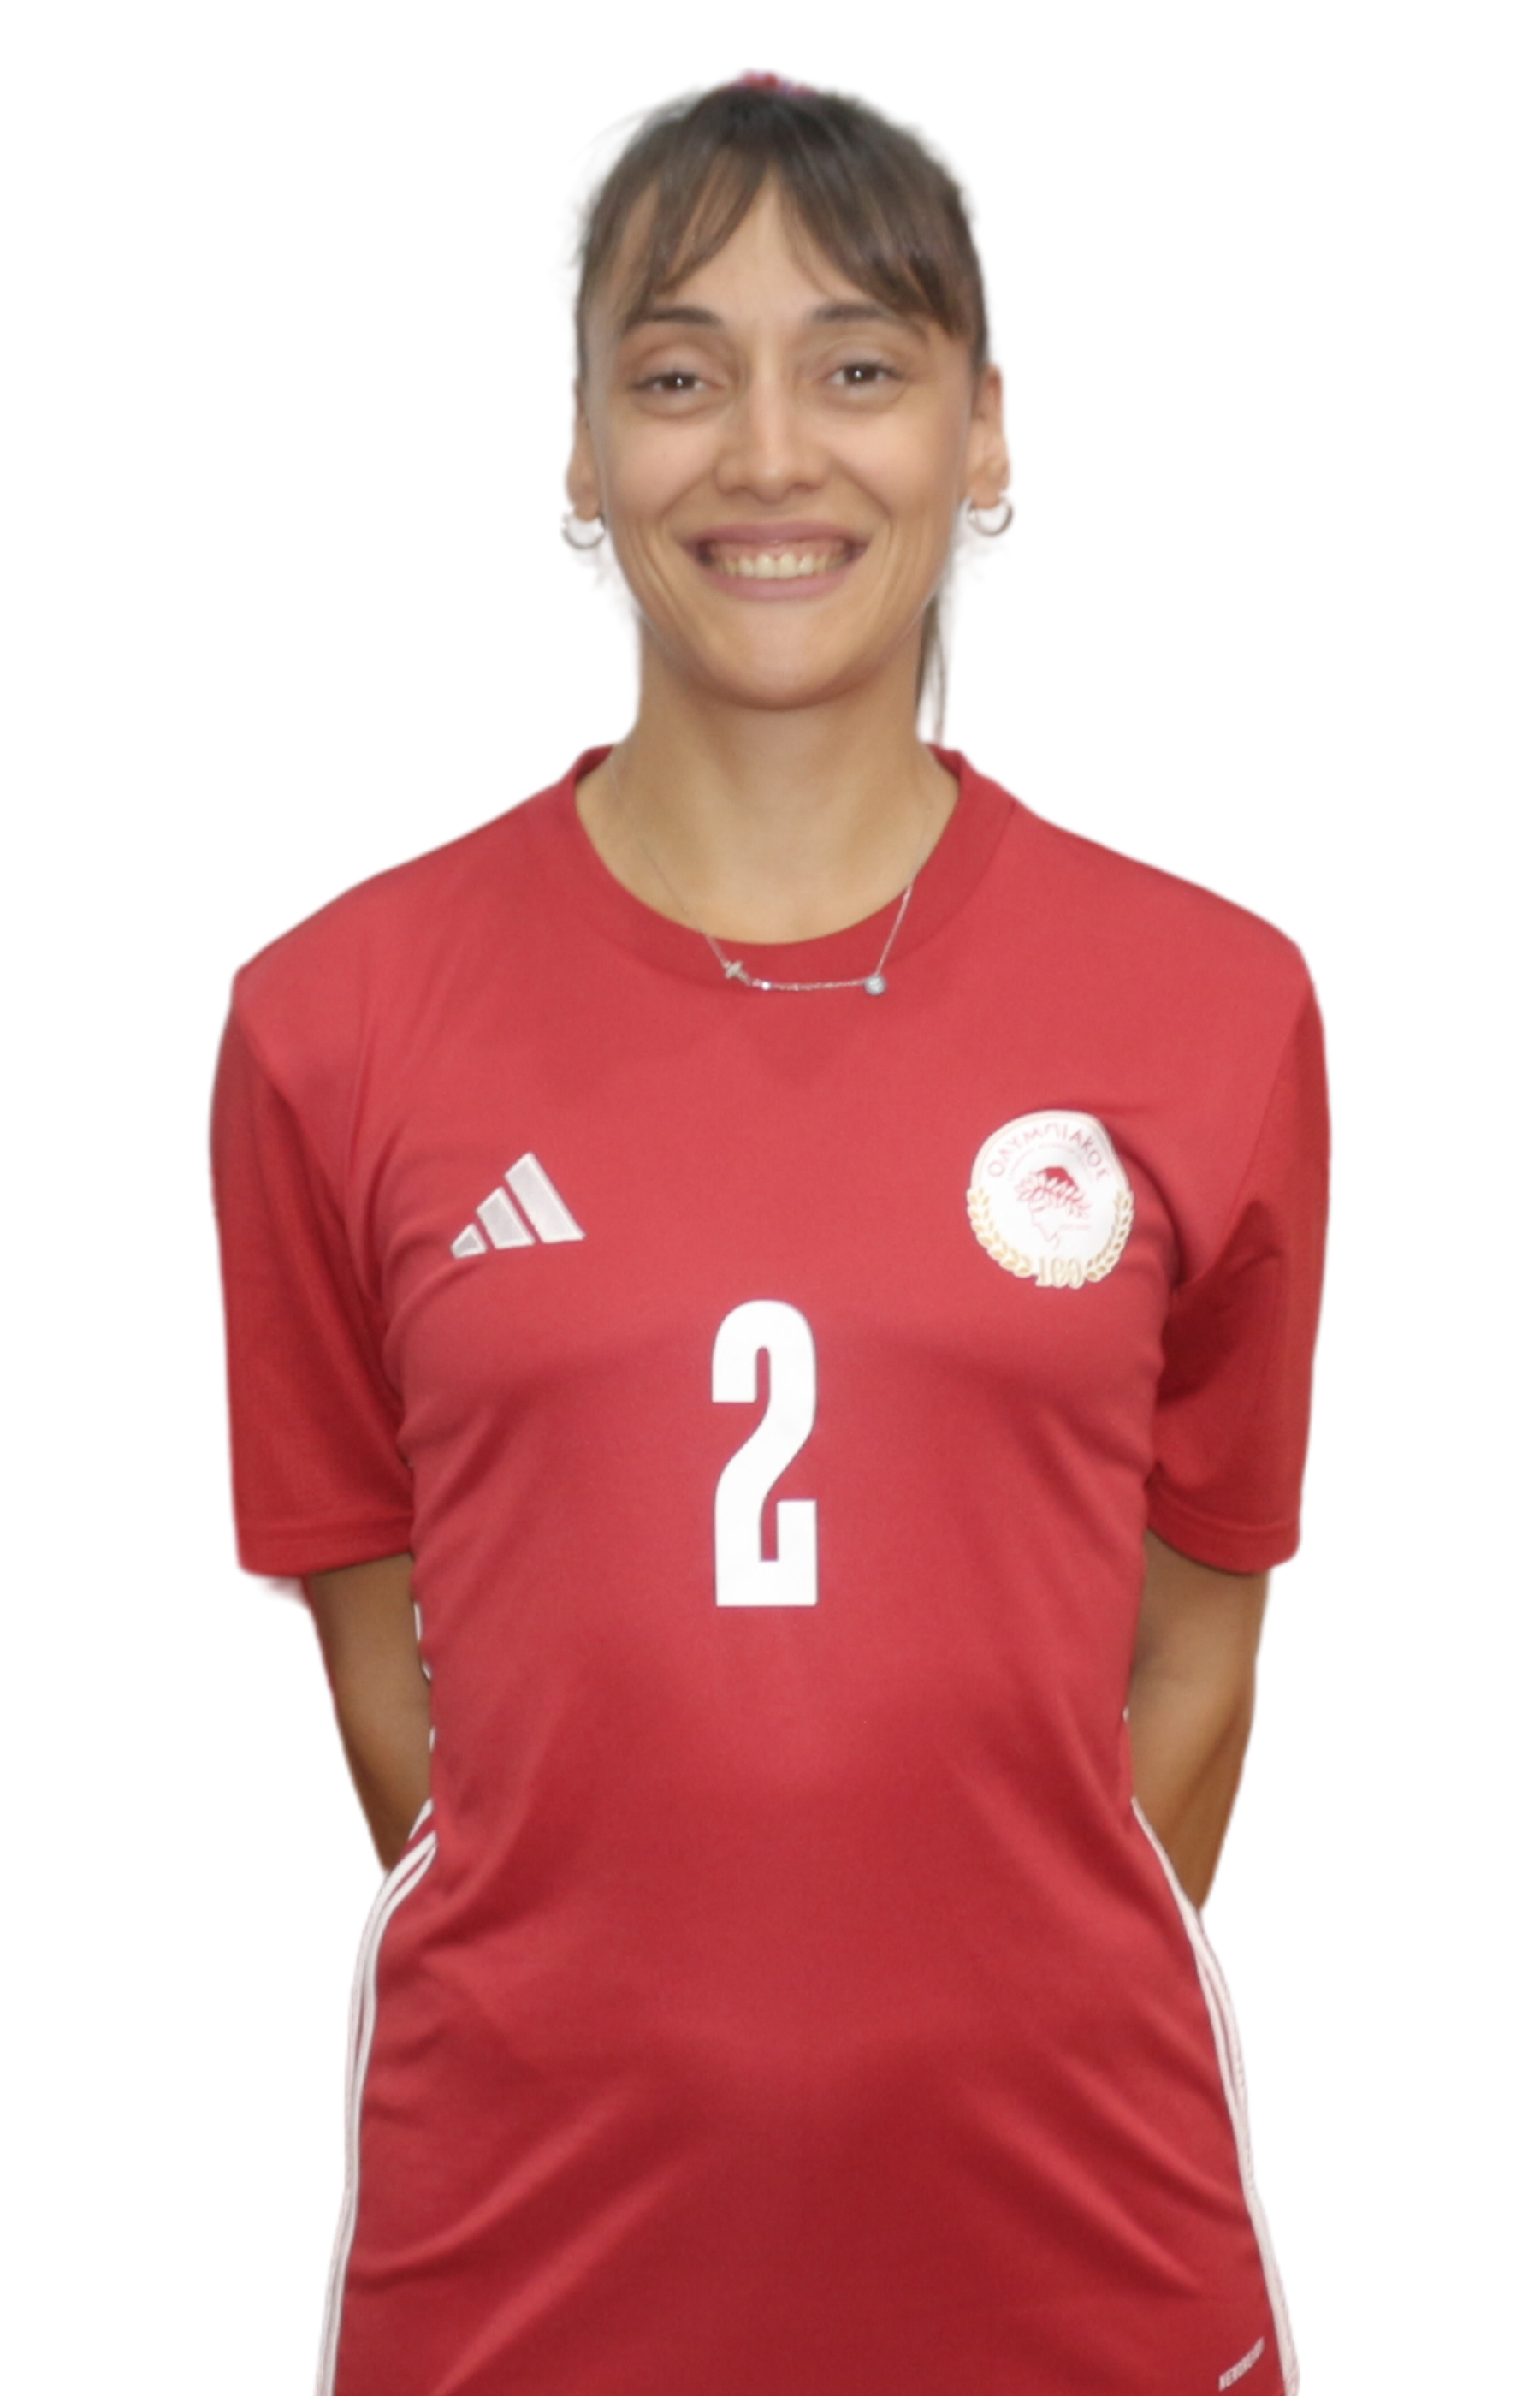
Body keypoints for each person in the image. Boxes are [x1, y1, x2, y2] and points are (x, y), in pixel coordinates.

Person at [211, 74, 1328, 2396]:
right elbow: (395, 1680)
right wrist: (652, 1984)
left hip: (1075, 2254)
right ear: (583, 446)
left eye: (859, 364)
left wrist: (956, 1996)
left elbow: (1199, 1657)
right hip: (529, 2266)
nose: (769, 454)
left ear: (982, 429)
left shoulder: (1217, 1009)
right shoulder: (331, 1026)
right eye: (678, 373)